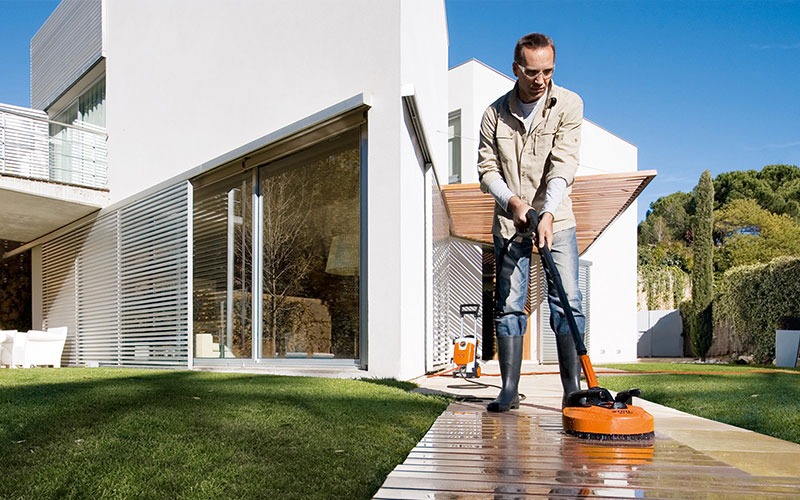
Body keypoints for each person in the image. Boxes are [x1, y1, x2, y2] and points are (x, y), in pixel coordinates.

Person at [477, 33, 586, 412]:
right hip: (510, 222)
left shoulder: (568, 104)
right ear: (516, 69)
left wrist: (548, 212)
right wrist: (514, 204)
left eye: (548, 71)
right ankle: (508, 389)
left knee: (568, 300)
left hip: (558, 219)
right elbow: (487, 170)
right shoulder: (494, 114)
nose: (541, 80)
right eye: (532, 72)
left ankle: (572, 388)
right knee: (508, 304)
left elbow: (563, 164)